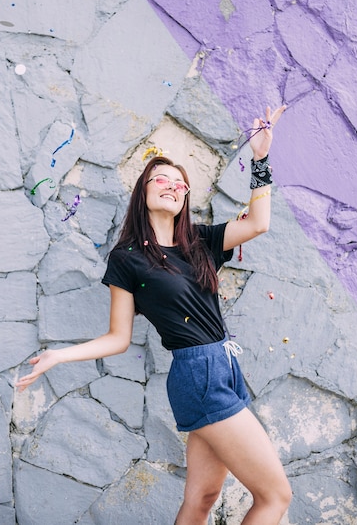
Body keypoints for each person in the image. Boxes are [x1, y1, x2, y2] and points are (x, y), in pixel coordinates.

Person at [16, 105, 292, 525]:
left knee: (202, 497)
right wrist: (58, 355)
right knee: (275, 496)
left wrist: (260, 157)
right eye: (161, 179)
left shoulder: (200, 241)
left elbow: (258, 222)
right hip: (197, 374)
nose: (173, 186)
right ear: (142, 192)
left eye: (180, 184)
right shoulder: (127, 260)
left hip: (226, 366)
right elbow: (117, 338)